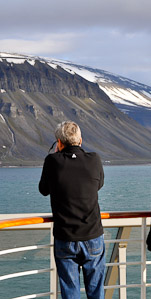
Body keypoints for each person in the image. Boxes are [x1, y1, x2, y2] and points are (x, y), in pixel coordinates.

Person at [39, 121, 105, 299]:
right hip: (93, 235)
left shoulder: (52, 161)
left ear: (59, 143)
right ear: (80, 140)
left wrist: (55, 157)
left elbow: (43, 189)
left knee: (70, 292)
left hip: (65, 237)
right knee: (96, 292)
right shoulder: (94, 159)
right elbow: (97, 185)